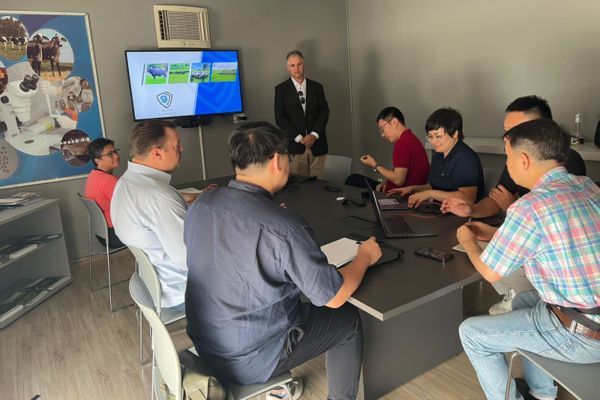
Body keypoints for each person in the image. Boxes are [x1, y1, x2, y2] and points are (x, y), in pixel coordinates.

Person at [184, 121, 382, 400]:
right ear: (277, 160)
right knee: (347, 320)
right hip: (247, 359)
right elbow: (334, 297)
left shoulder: (202, 205)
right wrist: (365, 256)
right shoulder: (283, 227)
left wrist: (269, 215)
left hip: (205, 343)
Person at [456, 119, 600, 400]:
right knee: (523, 301)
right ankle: (543, 392)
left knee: (472, 333)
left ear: (522, 160)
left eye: (507, 158)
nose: (506, 166)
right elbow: (553, 236)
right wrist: (495, 232)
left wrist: (467, 241)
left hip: (584, 335)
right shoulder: (587, 186)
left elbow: (490, 272)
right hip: (590, 314)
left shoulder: (529, 207)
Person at [441, 95, 587, 314]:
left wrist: (514, 207)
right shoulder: (523, 162)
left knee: (483, 254)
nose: (508, 138)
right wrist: (472, 210)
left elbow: (551, 228)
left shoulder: (567, 163)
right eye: (506, 131)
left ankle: (532, 303)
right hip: (541, 246)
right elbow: (497, 198)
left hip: (568, 288)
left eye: (515, 131)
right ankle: (518, 296)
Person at [111, 120, 213, 311]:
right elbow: (190, 260)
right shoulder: (160, 197)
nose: (181, 148)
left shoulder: (126, 182)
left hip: (154, 285)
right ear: (157, 152)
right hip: (183, 293)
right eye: (176, 146)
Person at [388, 107, 484, 207]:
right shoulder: (438, 155)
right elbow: (434, 186)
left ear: (455, 134)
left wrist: (430, 193)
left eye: (438, 136)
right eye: (430, 136)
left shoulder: (465, 158)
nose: (433, 141)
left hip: (462, 215)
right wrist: (412, 189)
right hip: (440, 210)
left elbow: (468, 198)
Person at [275, 50, 329, 178]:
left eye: (299, 64)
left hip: (318, 145)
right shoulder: (281, 90)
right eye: (292, 65)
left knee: (319, 186)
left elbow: (324, 111)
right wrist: (300, 138)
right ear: (287, 68)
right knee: (299, 187)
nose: (296, 68)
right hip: (295, 147)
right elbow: (280, 118)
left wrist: (314, 135)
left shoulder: (317, 87)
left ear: (303, 65)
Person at [356, 106, 429, 192]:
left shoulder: (402, 143)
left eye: (382, 130)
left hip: (399, 196)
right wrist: (387, 181)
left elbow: (399, 180)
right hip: (402, 190)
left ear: (394, 122)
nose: (382, 135)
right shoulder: (411, 138)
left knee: (353, 179)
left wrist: (375, 165)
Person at [84, 138, 124, 249]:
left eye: (115, 151)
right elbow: (131, 206)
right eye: (110, 154)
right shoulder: (109, 181)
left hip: (103, 234)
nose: (116, 156)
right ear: (98, 160)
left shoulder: (93, 176)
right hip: (115, 234)